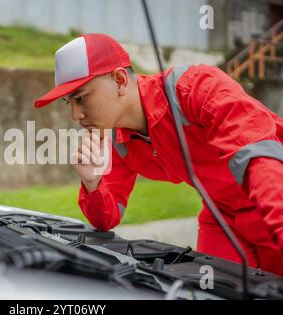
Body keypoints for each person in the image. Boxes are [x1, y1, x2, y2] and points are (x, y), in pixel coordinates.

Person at [33, 33, 283, 276]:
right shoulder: (117, 140)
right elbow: (107, 220)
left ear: (119, 80)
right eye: (69, 103)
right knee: (207, 291)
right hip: (222, 214)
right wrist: (92, 182)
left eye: (81, 98)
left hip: (273, 195)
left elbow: (260, 159)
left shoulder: (195, 88)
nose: (75, 115)